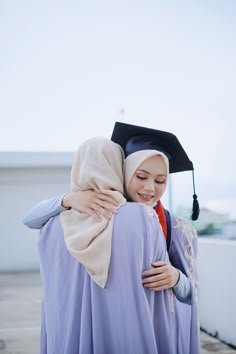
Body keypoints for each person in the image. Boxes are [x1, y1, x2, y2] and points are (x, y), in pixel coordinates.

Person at [37, 136, 176, 354]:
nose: (150, 187)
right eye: (141, 176)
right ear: (122, 172)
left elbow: (29, 219)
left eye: (160, 181)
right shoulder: (142, 218)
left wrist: (67, 200)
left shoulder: (50, 225)